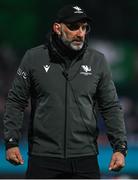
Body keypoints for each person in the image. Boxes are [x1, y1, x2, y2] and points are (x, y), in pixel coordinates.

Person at [3, 4, 127, 179]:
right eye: (74, 27)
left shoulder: (98, 61)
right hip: (43, 158)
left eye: (84, 27)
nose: (80, 33)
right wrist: (11, 142)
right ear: (57, 28)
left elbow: (111, 106)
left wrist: (120, 148)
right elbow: (16, 101)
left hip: (86, 158)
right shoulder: (33, 58)